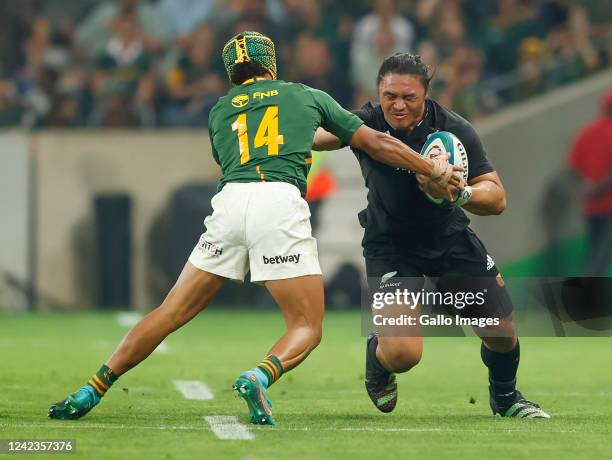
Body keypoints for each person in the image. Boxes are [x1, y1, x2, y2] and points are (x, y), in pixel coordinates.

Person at [48, 33, 461, 425]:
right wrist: (431, 168)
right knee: (307, 327)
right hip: (278, 203)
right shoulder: (303, 94)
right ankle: (260, 377)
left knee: (170, 311)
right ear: (271, 63)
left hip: (228, 205)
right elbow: (375, 143)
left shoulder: (219, 111)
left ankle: (92, 388)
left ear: (234, 74)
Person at [313, 53, 551, 419]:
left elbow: (498, 198)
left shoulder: (456, 130)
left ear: (426, 94)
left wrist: (461, 193)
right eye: (390, 95)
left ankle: (505, 398)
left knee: (501, 331)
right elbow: (319, 137)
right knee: (403, 355)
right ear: (379, 92)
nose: (398, 105)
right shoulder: (367, 122)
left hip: (449, 241)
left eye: (409, 97)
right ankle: (379, 358)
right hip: (390, 246)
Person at [567, 90, 612, 276]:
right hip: (609, 205)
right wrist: (600, 188)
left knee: (595, 255)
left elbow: (573, 170)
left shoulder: (585, 134)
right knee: (599, 259)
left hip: (592, 208)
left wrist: (588, 189)